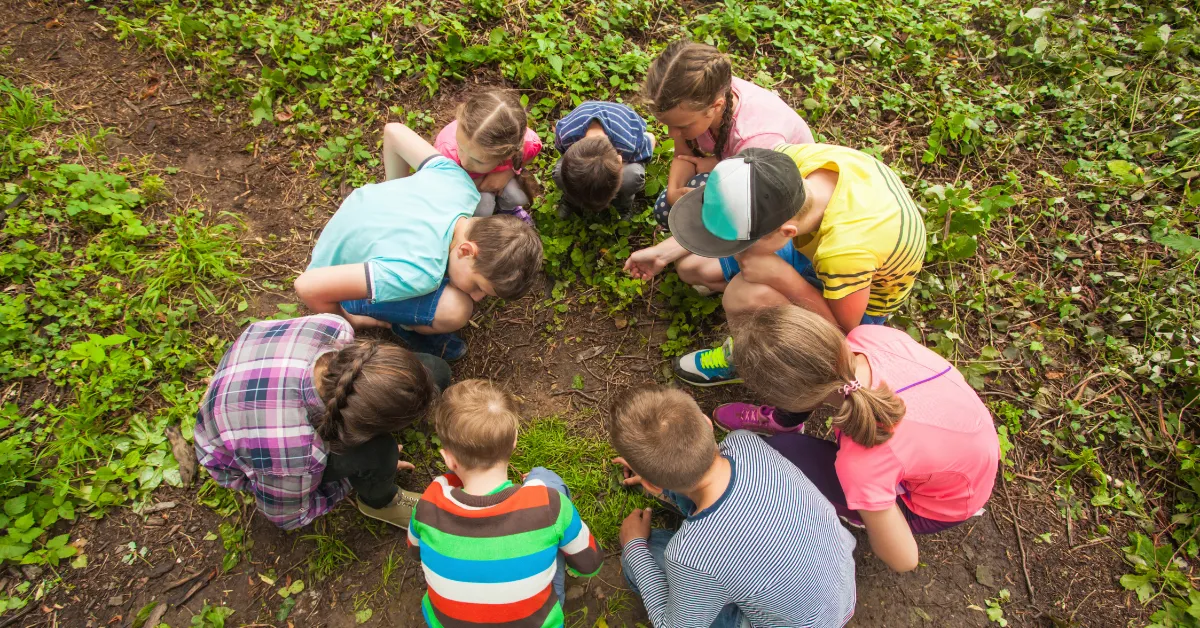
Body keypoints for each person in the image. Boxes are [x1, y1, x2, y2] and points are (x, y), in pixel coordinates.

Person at [727, 306, 999, 572]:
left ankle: (859, 510)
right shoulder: (870, 337)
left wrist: (875, 511)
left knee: (777, 453)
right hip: (970, 453)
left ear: (791, 399)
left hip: (937, 506)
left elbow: (905, 560)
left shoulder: (863, 460)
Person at [657, 144, 926, 388]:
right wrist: (660, 253)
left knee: (743, 295)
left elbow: (846, 333)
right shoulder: (781, 166)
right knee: (695, 268)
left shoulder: (844, 252)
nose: (737, 253)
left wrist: (786, 279)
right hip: (823, 255)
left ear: (786, 232)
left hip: (856, 311)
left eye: (740, 244)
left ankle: (748, 358)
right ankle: (772, 304)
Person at [610, 386, 856, 628]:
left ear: (651, 485)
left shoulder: (688, 556)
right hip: (840, 591)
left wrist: (634, 547)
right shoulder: (746, 443)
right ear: (706, 423)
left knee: (650, 551)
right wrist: (660, 478)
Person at [295, 122, 543, 362]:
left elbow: (394, 131)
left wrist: (394, 187)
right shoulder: (420, 272)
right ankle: (403, 326)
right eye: (479, 286)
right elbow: (307, 286)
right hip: (335, 279)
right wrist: (348, 320)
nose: (477, 297)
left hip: (348, 226)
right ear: (467, 250)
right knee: (457, 309)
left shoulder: (462, 185)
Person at [193, 314, 449, 530]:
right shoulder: (297, 453)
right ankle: (380, 501)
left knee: (435, 370)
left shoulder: (333, 328)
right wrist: (350, 479)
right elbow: (289, 516)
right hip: (246, 447)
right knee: (380, 453)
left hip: (253, 379)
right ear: (357, 426)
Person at [407, 379, 604, 627]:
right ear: (514, 441)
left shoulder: (427, 506)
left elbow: (415, 552)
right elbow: (591, 565)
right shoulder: (547, 504)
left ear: (447, 458)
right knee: (546, 480)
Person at [637, 40, 814, 228]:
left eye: (682, 127)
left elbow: (751, 203)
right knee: (669, 208)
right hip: (740, 164)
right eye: (668, 125)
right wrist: (674, 193)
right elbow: (684, 156)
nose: (673, 134)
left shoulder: (756, 137)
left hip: (777, 188)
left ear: (716, 107)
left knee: (697, 208)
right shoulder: (701, 96)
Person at [435, 90, 543, 224]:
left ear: (508, 154)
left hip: (496, 177)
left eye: (478, 160)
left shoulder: (525, 144)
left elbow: (528, 156)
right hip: (466, 187)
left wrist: (508, 172)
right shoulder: (446, 153)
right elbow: (444, 191)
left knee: (519, 196)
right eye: (460, 147)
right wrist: (479, 186)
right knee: (484, 207)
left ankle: (507, 210)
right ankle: (479, 223)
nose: (464, 161)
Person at [552, 100, 656, 217]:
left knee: (632, 176)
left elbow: (651, 138)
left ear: (620, 160)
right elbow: (562, 152)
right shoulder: (566, 135)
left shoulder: (629, 145)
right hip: (582, 123)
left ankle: (622, 204)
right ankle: (571, 200)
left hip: (622, 130)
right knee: (561, 173)